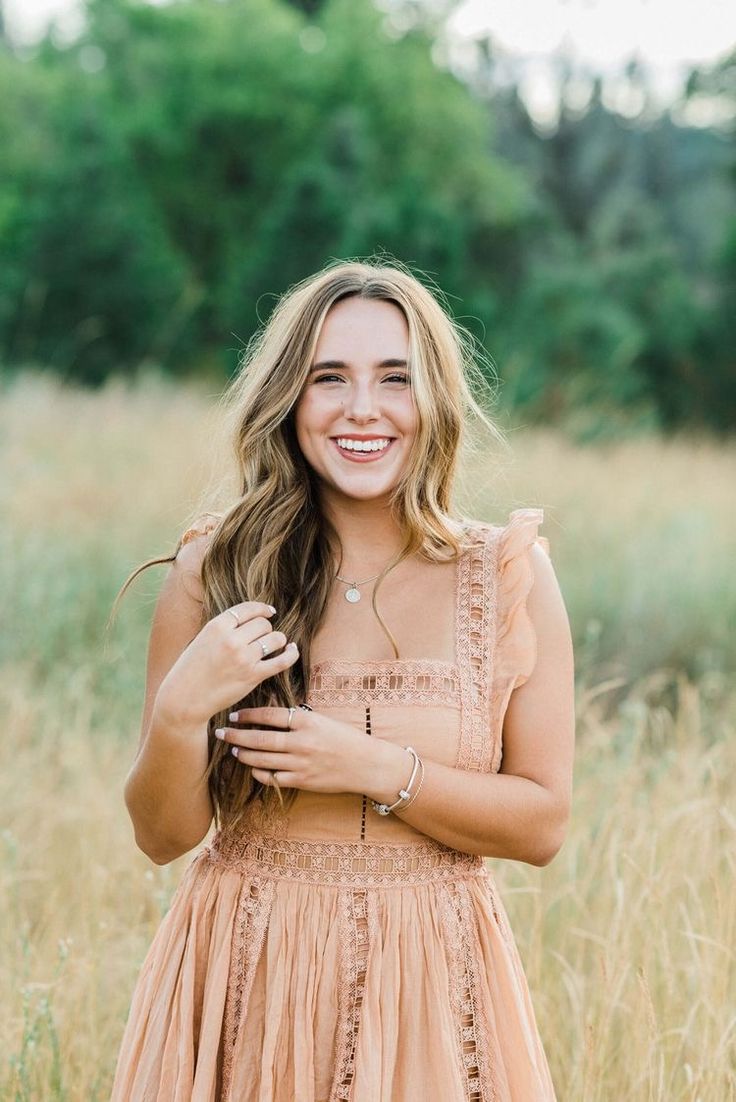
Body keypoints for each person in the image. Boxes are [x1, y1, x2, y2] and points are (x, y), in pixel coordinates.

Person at [109, 258, 575, 1101]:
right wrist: (180, 713)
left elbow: (541, 824)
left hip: (433, 985)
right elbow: (163, 837)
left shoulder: (508, 574)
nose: (364, 408)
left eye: (395, 378)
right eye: (330, 378)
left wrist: (373, 769)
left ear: (433, 397)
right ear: (290, 400)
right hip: (248, 978)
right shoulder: (215, 570)